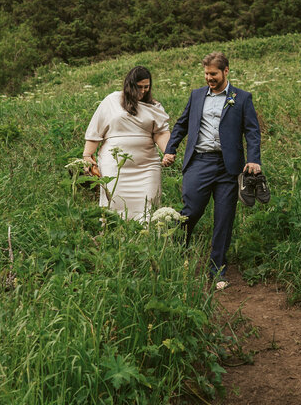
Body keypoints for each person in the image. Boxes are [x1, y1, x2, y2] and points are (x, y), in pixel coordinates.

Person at [162, 52, 261, 288]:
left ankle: (217, 270)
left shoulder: (242, 98)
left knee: (224, 219)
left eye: (214, 74)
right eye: (206, 74)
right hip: (199, 162)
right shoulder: (196, 96)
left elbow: (252, 131)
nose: (210, 78)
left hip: (228, 167)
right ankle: (177, 249)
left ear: (226, 71)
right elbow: (182, 124)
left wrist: (254, 159)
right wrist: (170, 149)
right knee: (191, 209)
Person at [82, 66, 171, 221]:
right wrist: (87, 155)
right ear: (130, 85)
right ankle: (114, 237)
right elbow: (95, 131)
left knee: (148, 204)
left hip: (146, 165)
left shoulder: (154, 106)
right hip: (115, 164)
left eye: (146, 87)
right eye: (139, 87)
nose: (143, 91)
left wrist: (167, 152)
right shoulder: (112, 101)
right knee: (114, 202)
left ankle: (146, 240)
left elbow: (161, 132)